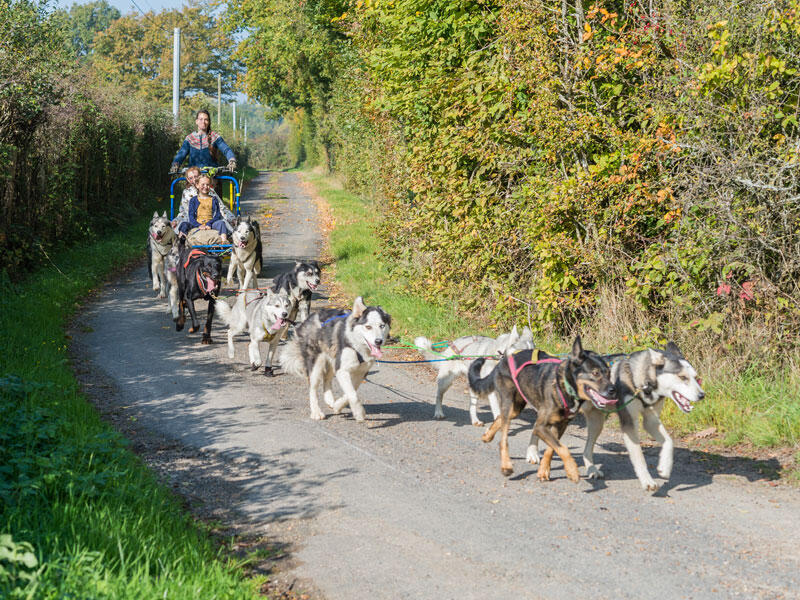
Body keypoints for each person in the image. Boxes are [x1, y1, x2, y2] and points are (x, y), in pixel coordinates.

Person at [173, 166, 236, 235]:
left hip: (211, 220)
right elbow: (184, 212)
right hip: (193, 221)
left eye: (196, 176)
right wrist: (176, 221)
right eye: (191, 178)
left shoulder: (209, 190)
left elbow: (221, 208)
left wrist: (231, 218)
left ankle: (225, 240)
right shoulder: (187, 193)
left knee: (224, 224)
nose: (194, 180)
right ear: (188, 179)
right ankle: (181, 241)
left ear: (200, 176)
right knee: (181, 226)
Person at [169, 109, 236, 173]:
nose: (203, 122)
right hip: (194, 177)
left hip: (211, 177)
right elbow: (181, 154)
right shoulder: (190, 138)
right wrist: (175, 164)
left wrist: (232, 160)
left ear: (209, 122)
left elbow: (226, 149)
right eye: (201, 119)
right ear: (196, 121)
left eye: (206, 119)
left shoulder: (215, 137)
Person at [177, 174, 229, 243]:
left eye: (207, 185)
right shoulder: (193, 200)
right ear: (197, 185)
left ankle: (223, 243)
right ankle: (181, 243)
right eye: (203, 184)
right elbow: (191, 217)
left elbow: (217, 215)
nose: (205, 187)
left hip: (211, 224)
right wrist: (199, 225)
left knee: (221, 223)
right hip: (196, 224)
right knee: (184, 224)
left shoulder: (213, 199)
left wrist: (209, 224)